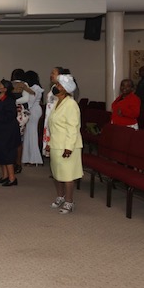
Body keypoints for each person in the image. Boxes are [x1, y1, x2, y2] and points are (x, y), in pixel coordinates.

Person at [46, 74, 83, 214]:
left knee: (67, 175)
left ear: (66, 89)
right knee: (57, 174)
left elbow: (73, 128)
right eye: (57, 84)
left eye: (59, 85)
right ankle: (60, 197)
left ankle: (69, 201)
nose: (56, 87)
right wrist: (49, 142)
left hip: (68, 146)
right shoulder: (57, 102)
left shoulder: (71, 104)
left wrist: (69, 147)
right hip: (56, 144)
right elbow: (53, 125)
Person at [11, 68, 33, 174]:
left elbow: (26, 98)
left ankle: (18, 163)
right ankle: (14, 163)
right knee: (15, 139)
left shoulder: (23, 85)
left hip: (20, 113)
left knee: (17, 140)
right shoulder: (14, 85)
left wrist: (13, 101)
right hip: (13, 112)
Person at [42, 66, 65, 157]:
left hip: (57, 119)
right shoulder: (53, 87)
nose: (51, 75)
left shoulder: (63, 89)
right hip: (50, 117)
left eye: (53, 73)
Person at [22, 70, 44, 166]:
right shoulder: (31, 88)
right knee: (28, 134)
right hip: (31, 110)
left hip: (34, 111)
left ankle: (35, 159)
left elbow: (30, 101)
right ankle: (27, 158)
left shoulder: (36, 88)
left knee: (32, 134)